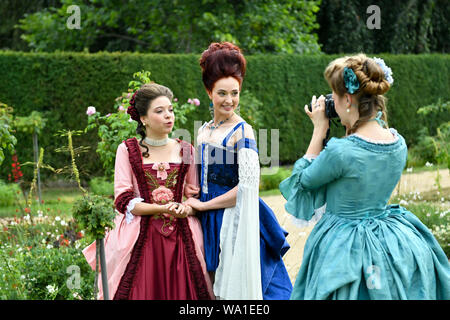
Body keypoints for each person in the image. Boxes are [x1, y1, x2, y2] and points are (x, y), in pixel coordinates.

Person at [280, 53, 450, 300]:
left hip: (344, 244)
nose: (333, 104)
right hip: (392, 238)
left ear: (348, 99)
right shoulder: (398, 143)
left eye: (335, 97)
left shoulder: (341, 151)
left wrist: (319, 131)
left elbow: (302, 181)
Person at [83, 83, 214, 300]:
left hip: (182, 236)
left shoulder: (187, 149)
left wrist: (184, 209)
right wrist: (161, 208)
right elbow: (123, 199)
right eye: (159, 111)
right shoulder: (127, 150)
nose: (168, 116)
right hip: (141, 235)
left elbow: (194, 195)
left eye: (170, 110)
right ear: (143, 118)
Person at [184, 42, 292, 300]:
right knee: (208, 289)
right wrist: (192, 196)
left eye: (235, 93)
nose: (229, 100)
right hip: (206, 217)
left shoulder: (243, 132)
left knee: (234, 290)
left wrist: (202, 206)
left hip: (233, 218)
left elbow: (247, 189)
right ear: (209, 92)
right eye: (222, 93)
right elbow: (200, 176)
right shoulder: (204, 130)